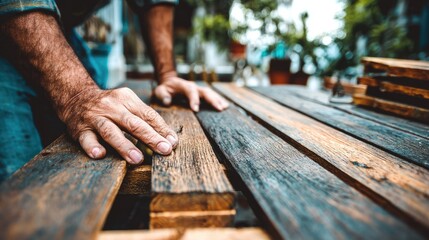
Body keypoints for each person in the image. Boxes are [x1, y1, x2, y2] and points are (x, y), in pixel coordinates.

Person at [0, 0, 229, 181]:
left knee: (91, 144)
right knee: (20, 176)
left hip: (60, 27)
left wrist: (167, 75)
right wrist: (78, 96)